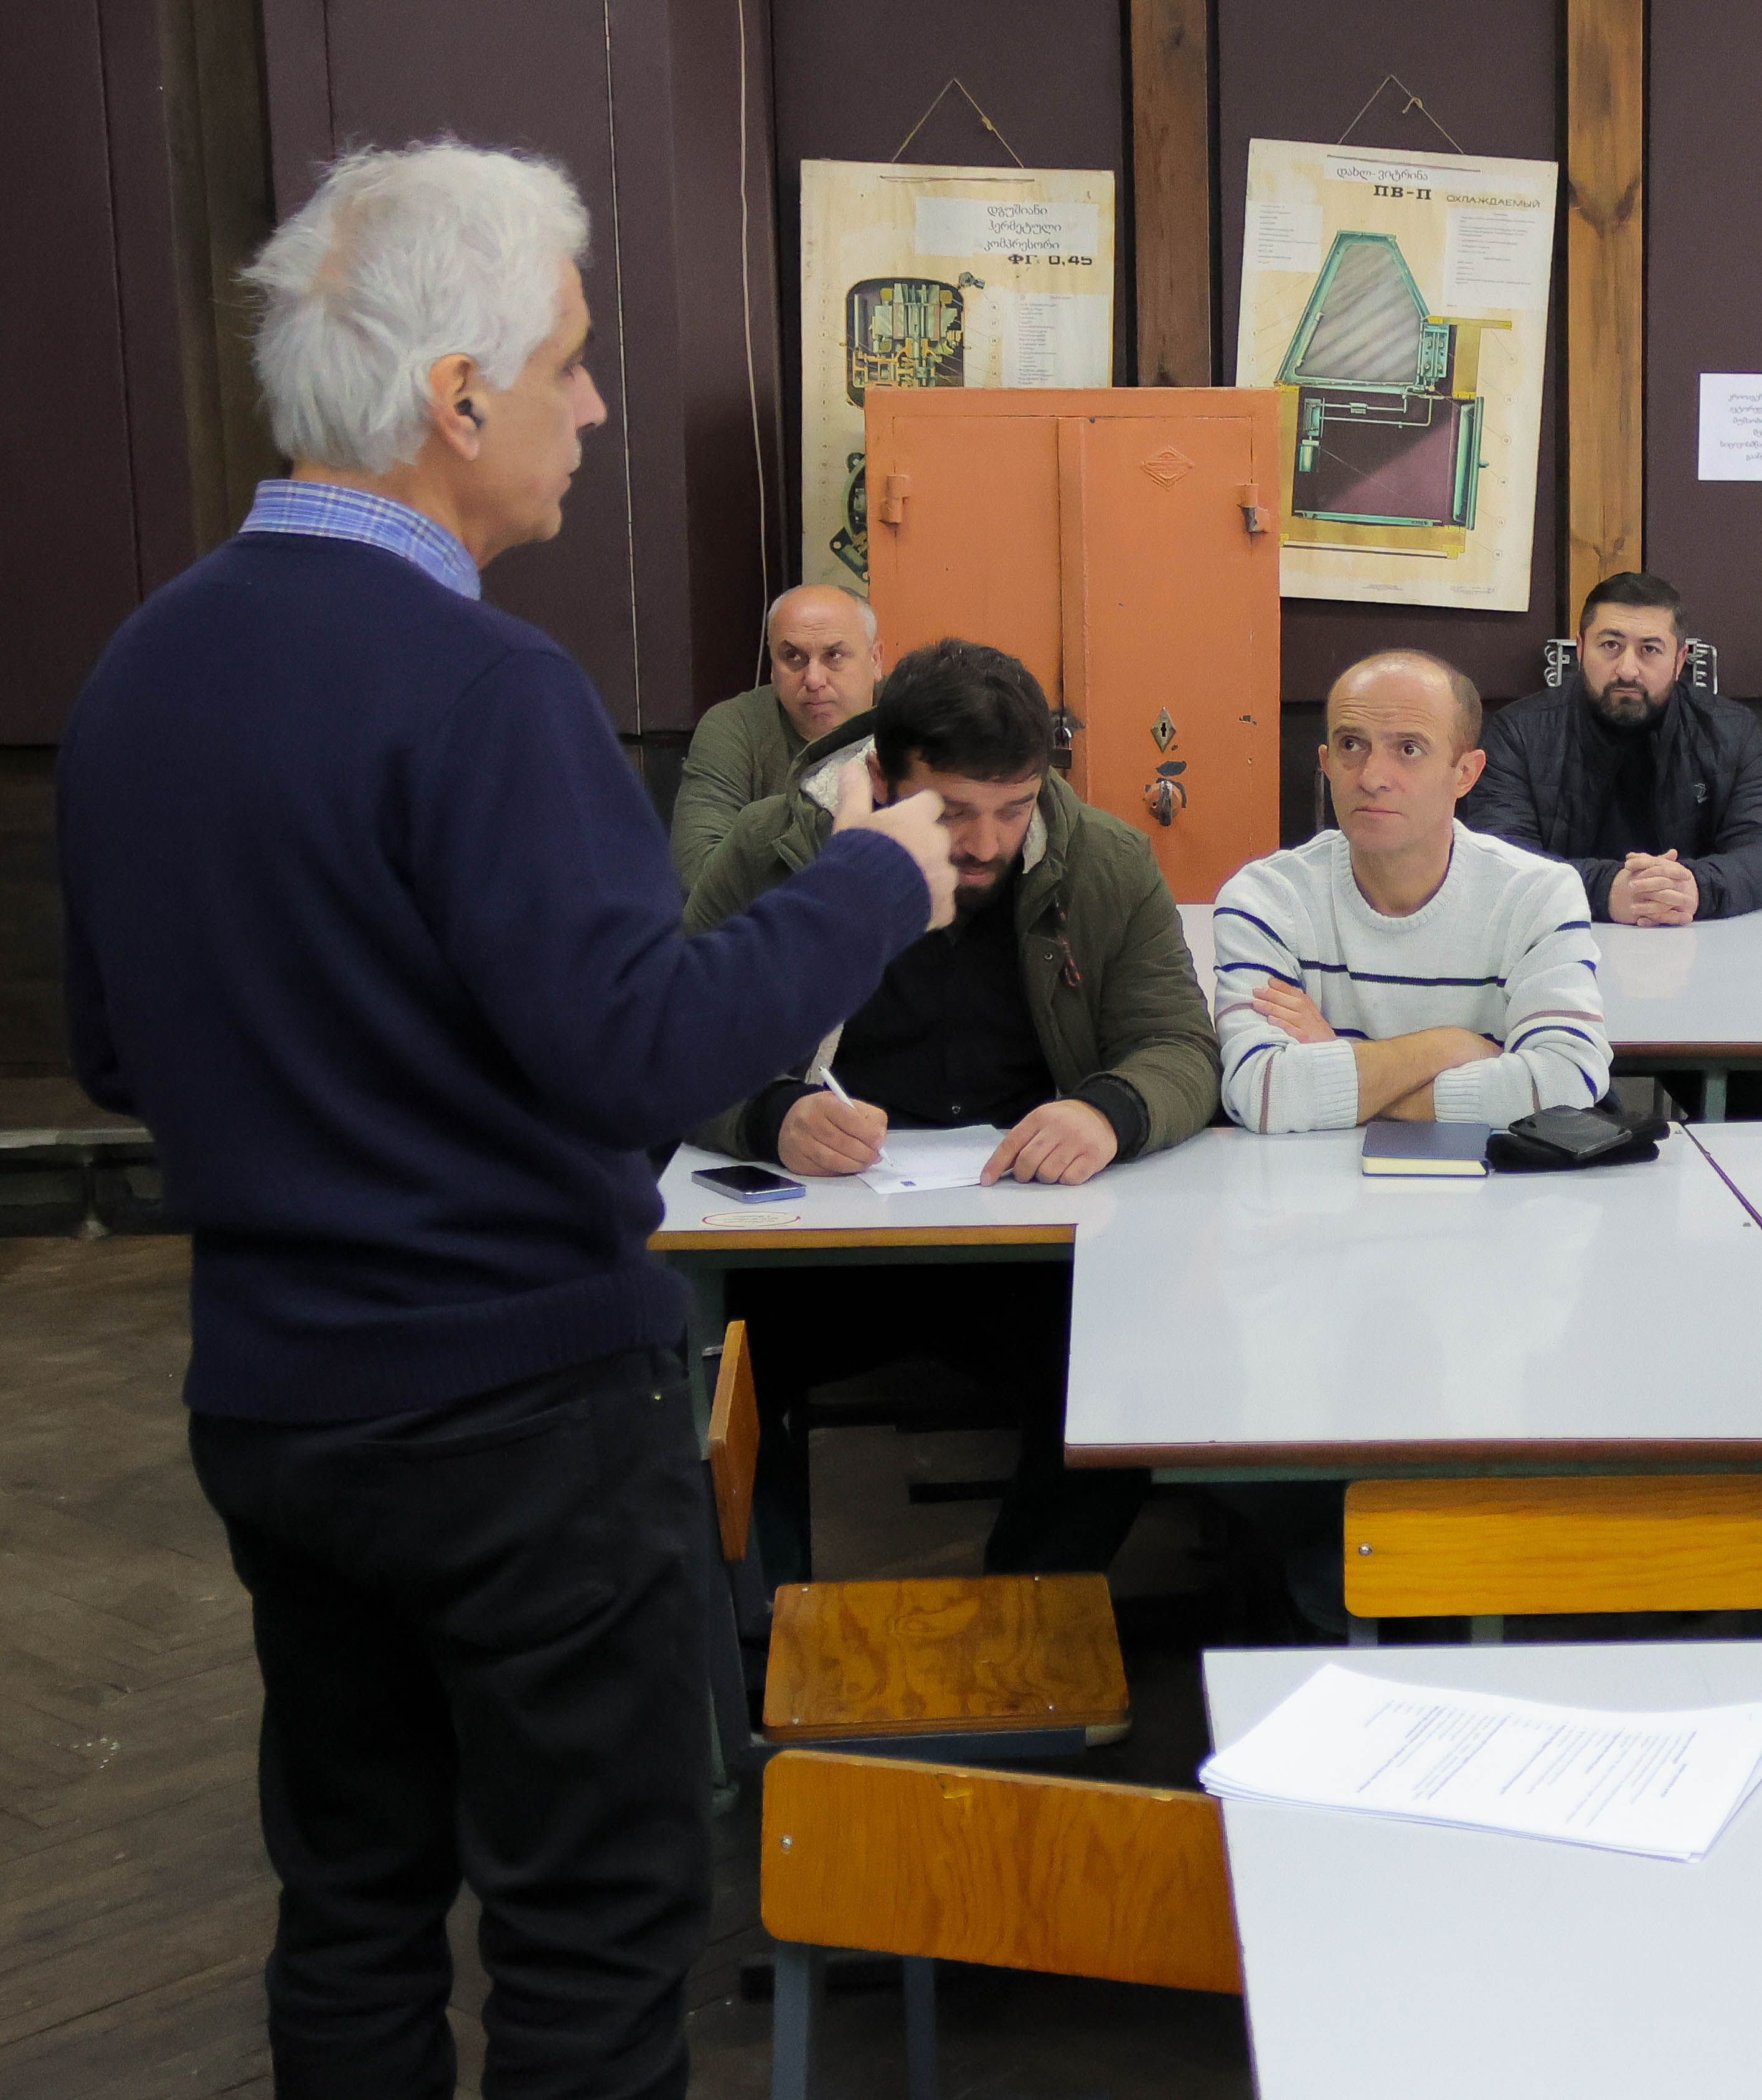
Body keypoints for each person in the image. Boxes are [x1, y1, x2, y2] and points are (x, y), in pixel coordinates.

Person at [55, 144, 958, 2099]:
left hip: (278, 1406)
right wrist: (874, 879)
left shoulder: (136, 674)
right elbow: (639, 1052)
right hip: (519, 1422)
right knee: (592, 1925)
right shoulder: (488, 689)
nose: (597, 404)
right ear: (457, 397)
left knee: (354, 1900)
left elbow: (115, 1050)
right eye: (570, 360)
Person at [685, 636, 1218, 1577]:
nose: (983, 844)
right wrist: (774, 1115)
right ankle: (769, 1623)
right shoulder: (773, 851)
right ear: (880, 781)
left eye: (1013, 809)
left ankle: (1028, 1609)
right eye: (953, 811)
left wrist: (1106, 1112)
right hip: (812, 1246)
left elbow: (1179, 1043)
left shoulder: (1104, 859)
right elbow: (679, 1044)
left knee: (1139, 1368)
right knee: (706, 1389)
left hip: (1028, 1236)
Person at [1215, 649, 1611, 1131]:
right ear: (1326, 762)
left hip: (1489, 1178)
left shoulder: (1537, 895)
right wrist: (1448, 1045)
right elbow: (1260, 1093)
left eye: (1408, 749)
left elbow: (1565, 1086)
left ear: (1465, 774)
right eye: (1351, 744)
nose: (1372, 778)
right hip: (1314, 1177)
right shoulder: (1266, 898)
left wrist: (1340, 1063)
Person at [1464, 570, 1762, 924]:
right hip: (1561, 934)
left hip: (1696, 935)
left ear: (1679, 660)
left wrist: (1695, 887)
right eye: (1611, 645)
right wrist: (1606, 891)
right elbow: (1499, 859)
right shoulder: (1520, 732)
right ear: (1581, 649)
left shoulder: (1731, 730)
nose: (1627, 670)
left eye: (1649, 650)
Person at [671, 582, 885, 890]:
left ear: (876, 659)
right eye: (793, 657)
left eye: (834, 655)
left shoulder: (916, 718)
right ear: (773, 669)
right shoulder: (736, 726)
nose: (813, 680)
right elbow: (697, 877)